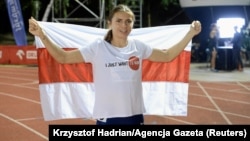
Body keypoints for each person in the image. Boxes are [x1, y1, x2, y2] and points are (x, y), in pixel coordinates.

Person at [28, 4, 201, 125]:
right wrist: (42, 35)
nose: (124, 25)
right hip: (108, 118)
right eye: (119, 21)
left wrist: (190, 34)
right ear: (109, 23)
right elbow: (64, 58)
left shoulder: (138, 46)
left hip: (134, 116)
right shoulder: (97, 47)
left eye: (128, 21)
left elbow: (167, 55)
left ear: (133, 24)